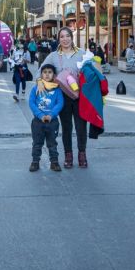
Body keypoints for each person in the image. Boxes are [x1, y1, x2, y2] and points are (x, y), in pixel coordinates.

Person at [42, 27, 87, 168]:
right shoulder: (53, 56)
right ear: (58, 39)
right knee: (66, 127)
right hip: (62, 97)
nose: (65, 39)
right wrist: (47, 81)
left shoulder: (82, 54)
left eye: (67, 36)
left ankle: (82, 154)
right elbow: (40, 72)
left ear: (71, 38)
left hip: (80, 96)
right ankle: (68, 155)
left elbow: (94, 71)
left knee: (81, 127)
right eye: (62, 36)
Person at [28, 63, 64, 172]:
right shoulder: (36, 88)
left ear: (54, 75)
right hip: (38, 122)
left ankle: (54, 162)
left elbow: (60, 103)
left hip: (52, 122)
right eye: (44, 72)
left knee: (52, 143)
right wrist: (40, 115)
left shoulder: (57, 89)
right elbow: (31, 102)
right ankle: (35, 162)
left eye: (50, 72)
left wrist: (51, 115)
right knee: (37, 143)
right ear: (41, 74)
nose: (47, 74)